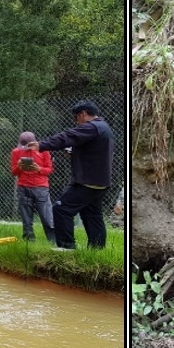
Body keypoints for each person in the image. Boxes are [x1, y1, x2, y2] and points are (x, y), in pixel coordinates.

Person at [28, 100, 115, 250]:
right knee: (93, 216)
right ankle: (97, 250)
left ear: (83, 114)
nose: (77, 122)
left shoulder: (92, 126)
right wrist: (74, 153)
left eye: (76, 118)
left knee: (61, 210)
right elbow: (92, 152)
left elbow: (67, 137)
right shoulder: (104, 128)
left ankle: (66, 248)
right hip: (101, 182)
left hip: (87, 182)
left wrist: (41, 145)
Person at [11, 131, 55, 244]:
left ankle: (53, 241)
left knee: (47, 217)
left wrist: (39, 169)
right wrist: (20, 167)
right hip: (23, 187)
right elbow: (14, 172)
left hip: (40, 188)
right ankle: (29, 242)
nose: (25, 148)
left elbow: (49, 170)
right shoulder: (16, 152)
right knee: (26, 218)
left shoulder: (44, 151)